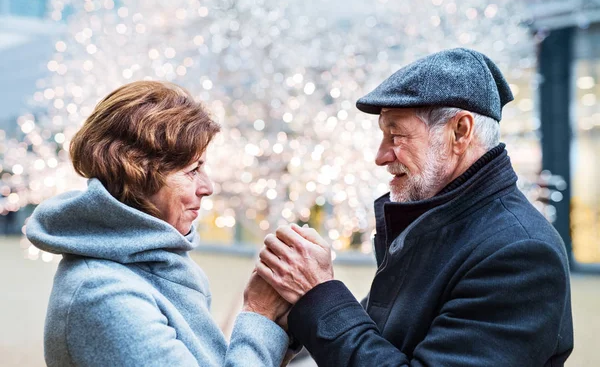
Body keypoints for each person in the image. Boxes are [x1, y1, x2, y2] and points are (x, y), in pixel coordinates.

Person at [256, 48, 574, 366]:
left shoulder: (520, 253)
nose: (380, 156)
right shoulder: (431, 228)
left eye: (395, 135)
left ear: (459, 132)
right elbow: (375, 343)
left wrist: (319, 295)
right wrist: (298, 312)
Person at [27, 81, 292, 366]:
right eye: (193, 171)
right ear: (138, 174)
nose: (208, 187)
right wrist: (260, 313)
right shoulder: (103, 294)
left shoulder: (150, 270)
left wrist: (278, 326)